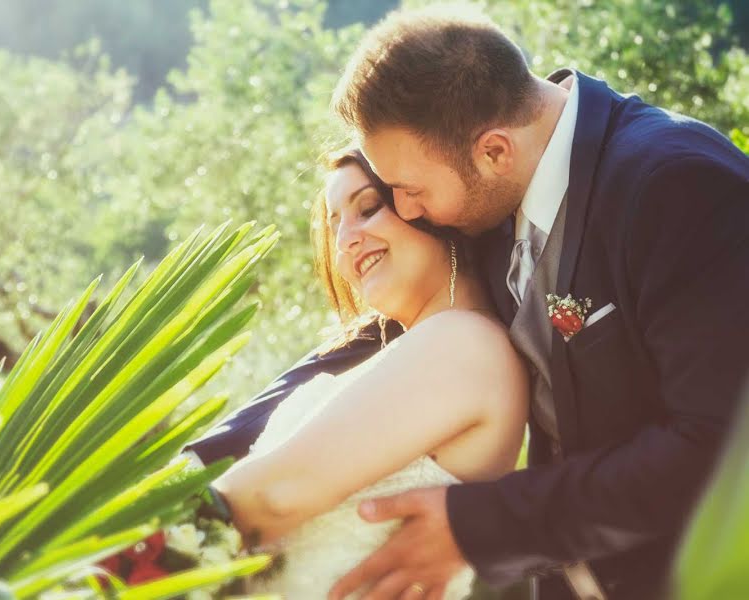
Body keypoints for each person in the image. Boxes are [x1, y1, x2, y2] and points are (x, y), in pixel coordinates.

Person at [191, 5, 749, 600]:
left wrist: (479, 526)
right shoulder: (492, 203)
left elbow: (719, 448)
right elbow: (369, 359)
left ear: (493, 152)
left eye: (407, 191)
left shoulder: (676, 185)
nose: (405, 210)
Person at [209, 148, 529, 599]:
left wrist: (116, 545)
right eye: (335, 224)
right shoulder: (431, 350)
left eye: (367, 208)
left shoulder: (464, 345)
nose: (344, 241)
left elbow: (276, 495)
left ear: (429, 209)